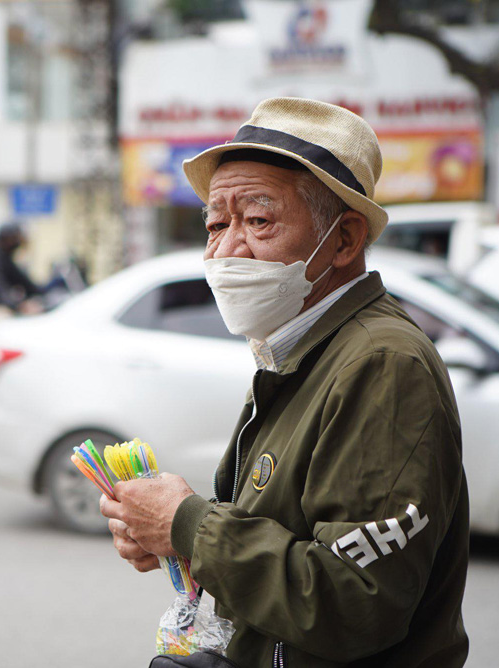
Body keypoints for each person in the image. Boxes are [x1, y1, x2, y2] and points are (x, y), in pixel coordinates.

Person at [100, 98, 470, 667]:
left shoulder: (382, 364)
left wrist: (189, 523)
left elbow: (353, 600)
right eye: (217, 223)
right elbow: (286, 542)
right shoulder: (297, 350)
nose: (226, 250)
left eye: (258, 220)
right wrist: (174, 538)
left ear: (344, 241)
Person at [0, 221, 44, 319]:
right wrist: (18, 304)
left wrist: (45, 289)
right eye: (16, 238)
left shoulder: (5, 258)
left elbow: (25, 283)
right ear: (7, 238)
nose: (18, 242)